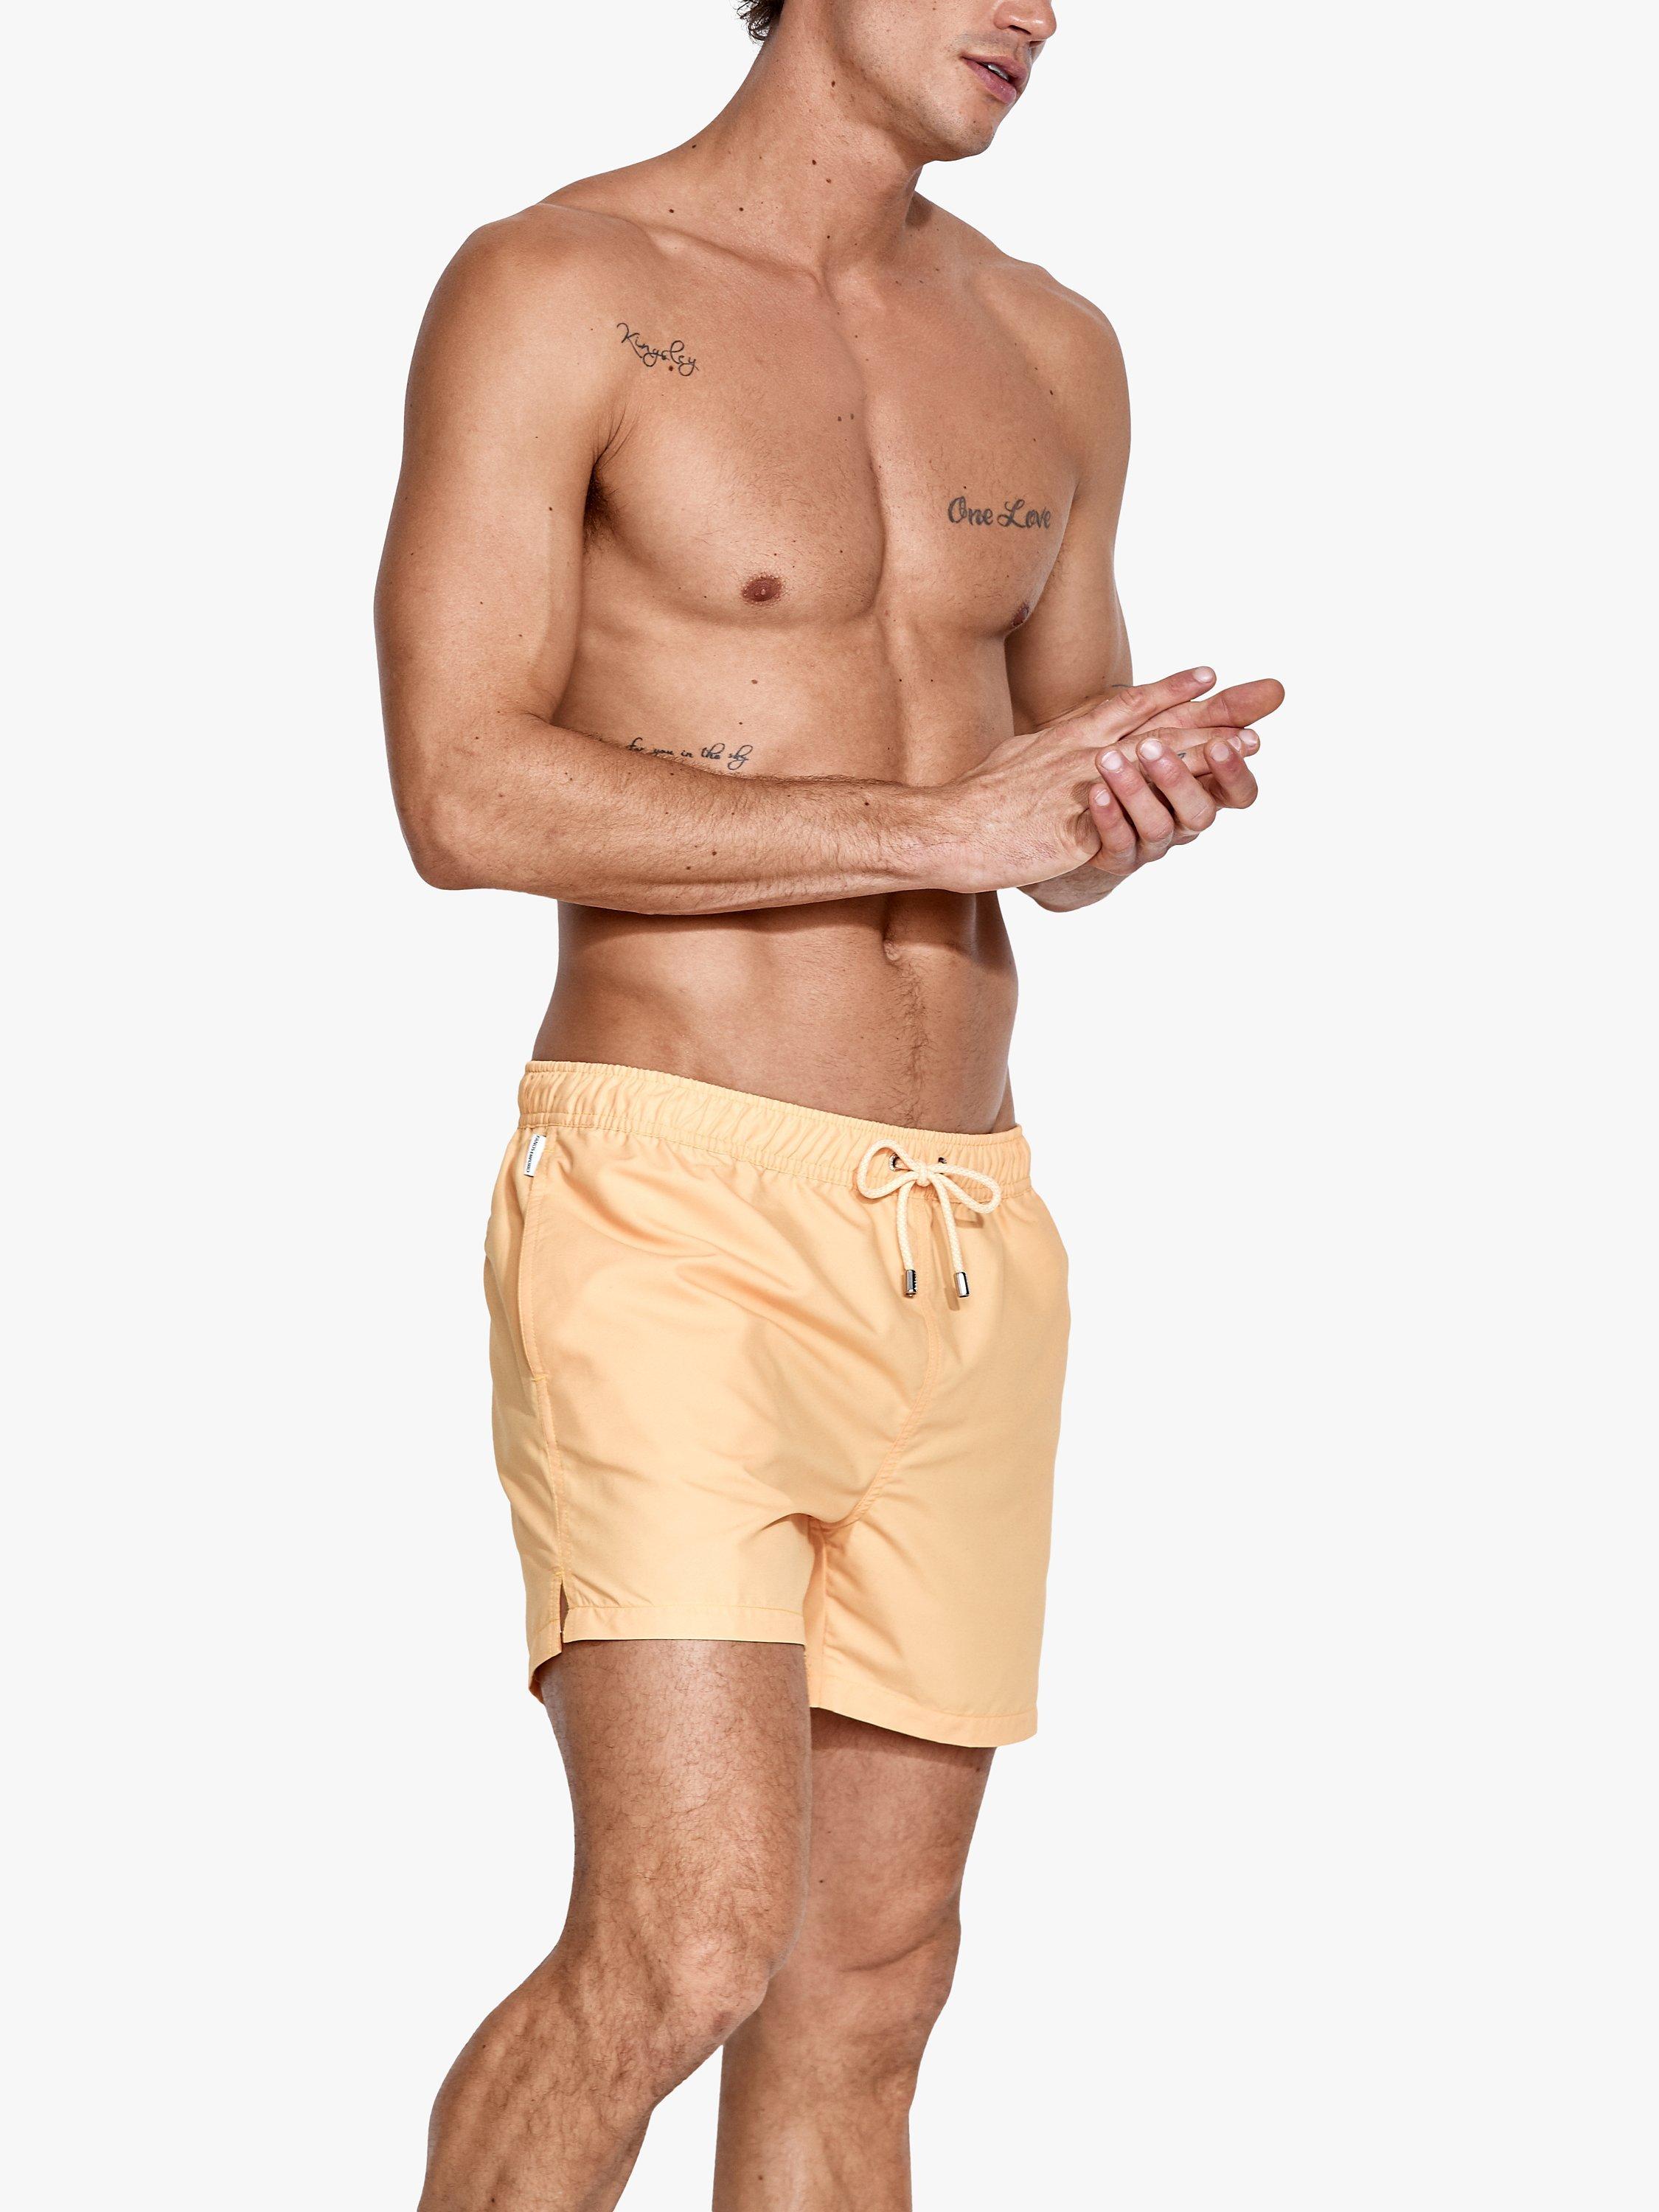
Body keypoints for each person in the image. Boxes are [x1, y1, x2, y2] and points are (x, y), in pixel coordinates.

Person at [376, 1, 1281, 2203]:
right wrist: (941, 824)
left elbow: (1039, 817)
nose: (1036, 10)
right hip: (675, 1208)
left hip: (962, 1229)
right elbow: (460, 793)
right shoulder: (558, 285)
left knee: (867, 1986)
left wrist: (1124, 803)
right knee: (681, 1943)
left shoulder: (1052, 347)